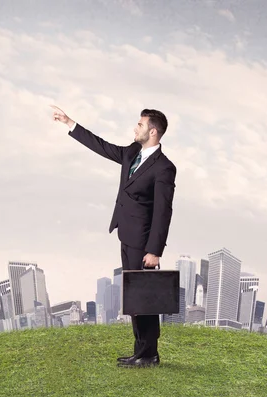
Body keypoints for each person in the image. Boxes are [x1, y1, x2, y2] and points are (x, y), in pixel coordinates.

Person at [51, 105, 177, 368]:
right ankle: (141, 351)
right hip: (126, 234)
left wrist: (154, 251)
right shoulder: (133, 153)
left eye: (140, 125)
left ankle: (148, 355)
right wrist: (70, 122)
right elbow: (103, 147)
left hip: (143, 242)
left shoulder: (164, 168)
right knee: (135, 298)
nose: (135, 128)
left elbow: (163, 211)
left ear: (153, 132)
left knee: (145, 299)